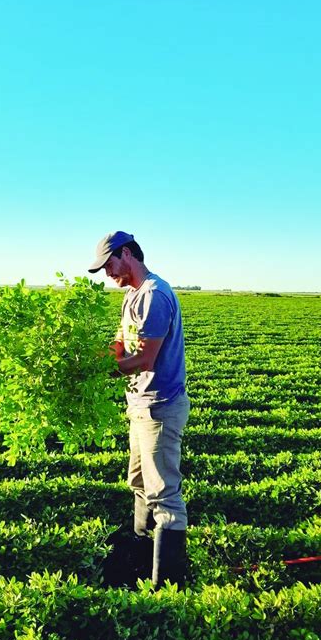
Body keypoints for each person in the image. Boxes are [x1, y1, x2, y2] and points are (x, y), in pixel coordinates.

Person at [89, 230, 190, 588]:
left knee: (163, 493)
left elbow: (145, 359)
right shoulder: (132, 296)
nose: (107, 274)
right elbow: (120, 346)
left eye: (109, 265)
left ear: (127, 254)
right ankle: (140, 557)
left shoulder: (155, 296)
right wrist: (83, 363)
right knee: (139, 482)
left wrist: (100, 371)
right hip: (140, 404)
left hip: (160, 406)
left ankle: (166, 583)